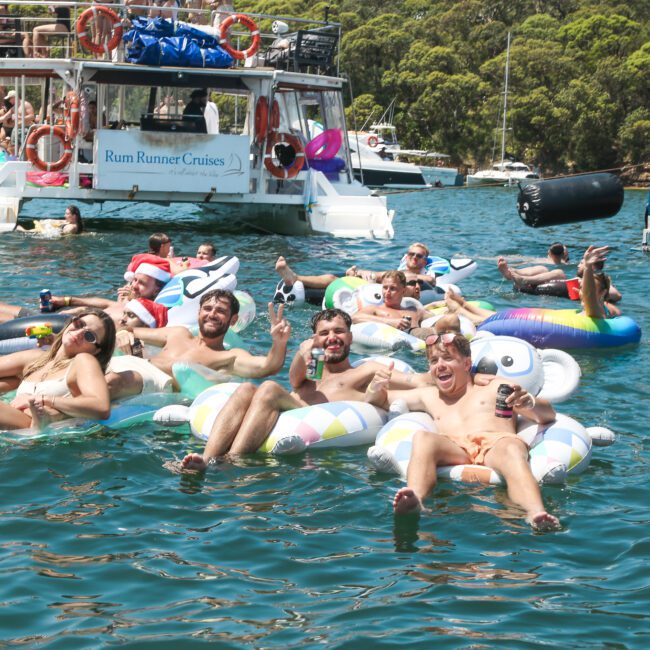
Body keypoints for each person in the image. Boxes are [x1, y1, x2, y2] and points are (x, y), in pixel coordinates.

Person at [180, 308, 423, 467]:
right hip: (286, 414)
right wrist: (291, 347)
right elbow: (295, 380)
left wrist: (441, 367)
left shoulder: (364, 370)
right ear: (315, 339)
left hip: (310, 418)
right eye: (324, 333)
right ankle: (207, 458)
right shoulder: (316, 366)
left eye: (339, 331)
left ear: (350, 337)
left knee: (268, 388)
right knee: (244, 389)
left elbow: (418, 383)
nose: (332, 337)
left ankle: (231, 461)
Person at [372, 333, 560, 531]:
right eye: (434, 361)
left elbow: (547, 415)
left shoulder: (495, 386)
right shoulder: (428, 395)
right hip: (456, 447)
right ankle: (415, 500)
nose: (440, 365)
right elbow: (381, 400)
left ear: (467, 363)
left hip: (496, 444)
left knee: (512, 447)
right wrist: (375, 387)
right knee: (423, 438)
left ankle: (535, 513)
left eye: (448, 358)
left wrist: (530, 402)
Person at [108, 289, 291, 398]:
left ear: (233, 320)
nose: (212, 314)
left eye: (220, 311)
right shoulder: (177, 333)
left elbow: (268, 366)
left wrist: (278, 342)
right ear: (198, 313)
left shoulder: (228, 356)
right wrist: (124, 334)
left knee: (113, 381)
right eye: (207, 308)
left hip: (149, 382)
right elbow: (126, 329)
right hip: (132, 366)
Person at [0, 308, 115, 431]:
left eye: (89, 336)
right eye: (79, 324)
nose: (80, 332)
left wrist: (42, 400)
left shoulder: (83, 361)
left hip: (32, 427)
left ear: (96, 350)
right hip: (16, 426)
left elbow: (101, 407)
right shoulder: (36, 359)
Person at [352, 270, 432, 338]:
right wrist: (390, 322)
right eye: (385, 287)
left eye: (392, 288)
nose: (387, 292)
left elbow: (435, 318)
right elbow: (354, 318)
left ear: (403, 291)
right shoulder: (375, 309)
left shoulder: (414, 311)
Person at [16, 204, 84, 235]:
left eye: (67, 214)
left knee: (25, 232)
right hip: (53, 228)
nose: (64, 215)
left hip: (49, 232)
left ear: (74, 216)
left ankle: (18, 228)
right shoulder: (70, 221)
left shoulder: (71, 227)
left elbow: (60, 236)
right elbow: (58, 221)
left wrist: (44, 230)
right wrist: (46, 221)